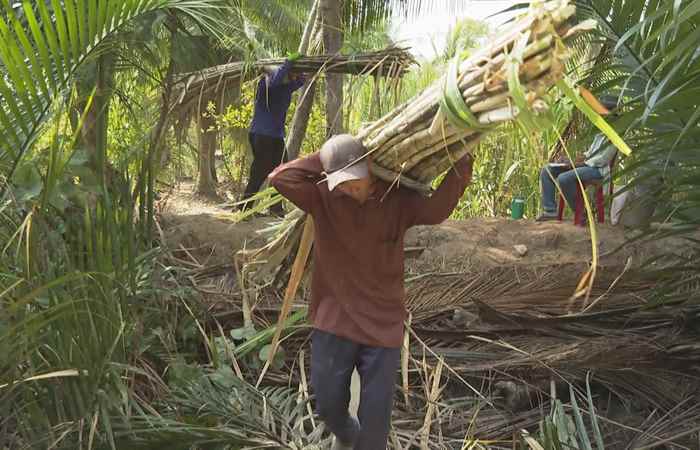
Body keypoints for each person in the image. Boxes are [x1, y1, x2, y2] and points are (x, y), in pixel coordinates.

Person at [268, 135, 474, 450]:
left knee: (375, 421)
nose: (349, 188)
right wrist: (331, 156)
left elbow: (436, 210)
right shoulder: (323, 197)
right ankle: (348, 435)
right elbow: (280, 178)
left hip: (382, 324)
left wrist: (462, 160)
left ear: (370, 169)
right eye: (342, 182)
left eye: (354, 180)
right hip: (335, 317)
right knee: (327, 405)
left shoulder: (398, 198)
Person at [240, 53, 306, 215]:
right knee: (259, 172)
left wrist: (300, 70)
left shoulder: (285, 87)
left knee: (282, 170)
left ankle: (275, 208)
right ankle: (244, 208)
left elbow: (302, 81)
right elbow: (276, 78)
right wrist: (288, 63)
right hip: (262, 135)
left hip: (275, 137)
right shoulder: (266, 84)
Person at [536, 96, 619, 221]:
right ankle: (550, 210)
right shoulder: (602, 133)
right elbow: (589, 154)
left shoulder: (616, 134)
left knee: (564, 178)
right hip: (587, 166)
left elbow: (601, 160)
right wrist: (570, 161)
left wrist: (577, 165)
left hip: (598, 170)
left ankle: (581, 213)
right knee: (547, 170)